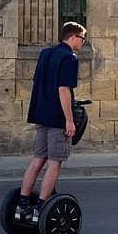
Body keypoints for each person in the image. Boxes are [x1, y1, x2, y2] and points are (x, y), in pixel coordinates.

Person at [16, 21, 87, 223]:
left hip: (41, 114)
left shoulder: (45, 54)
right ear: (73, 37)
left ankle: (22, 206)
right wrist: (69, 120)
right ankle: (40, 207)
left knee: (38, 159)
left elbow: (39, 83)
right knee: (55, 162)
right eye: (82, 39)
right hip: (57, 118)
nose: (82, 43)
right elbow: (63, 89)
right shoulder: (69, 58)